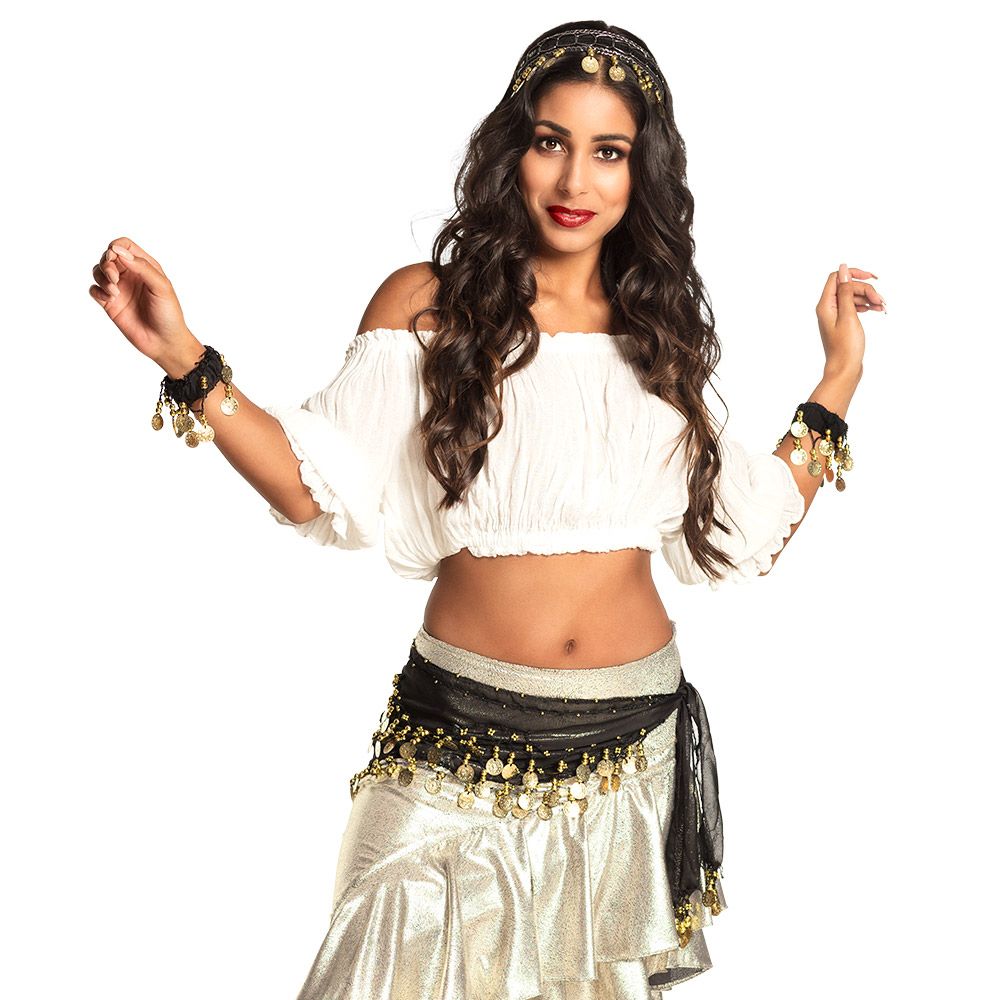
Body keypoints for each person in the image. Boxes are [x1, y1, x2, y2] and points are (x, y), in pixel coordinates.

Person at [88, 18, 879, 1000]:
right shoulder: (427, 305)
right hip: (450, 742)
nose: (575, 180)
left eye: (608, 152)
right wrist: (183, 358)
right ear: (515, 150)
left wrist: (837, 379)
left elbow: (741, 529)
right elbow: (310, 482)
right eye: (551, 142)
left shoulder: (659, 333)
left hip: (629, 754)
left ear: (642, 172)